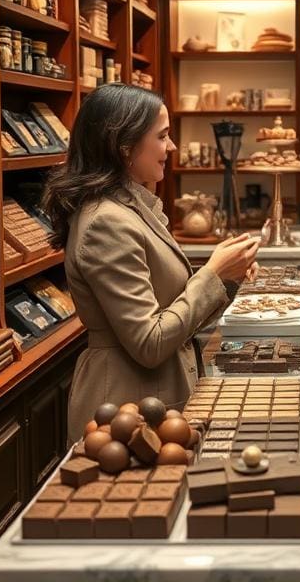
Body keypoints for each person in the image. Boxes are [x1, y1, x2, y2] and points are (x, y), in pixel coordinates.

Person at [43, 84, 259, 441]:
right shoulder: (106, 223)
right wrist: (213, 273)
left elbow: (176, 314)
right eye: (162, 136)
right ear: (124, 146)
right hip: (125, 409)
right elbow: (150, 342)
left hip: (152, 397)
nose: (171, 147)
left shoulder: (134, 210)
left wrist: (228, 277)